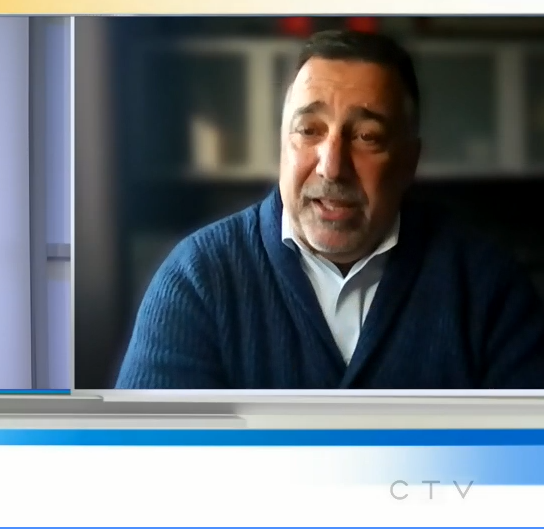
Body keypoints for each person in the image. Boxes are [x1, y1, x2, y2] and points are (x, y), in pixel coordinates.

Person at [116, 30, 544, 389]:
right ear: (282, 144)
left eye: (366, 136)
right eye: (308, 130)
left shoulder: (488, 287)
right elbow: (149, 457)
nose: (332, 166)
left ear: (408, 162)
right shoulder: (197, 278)